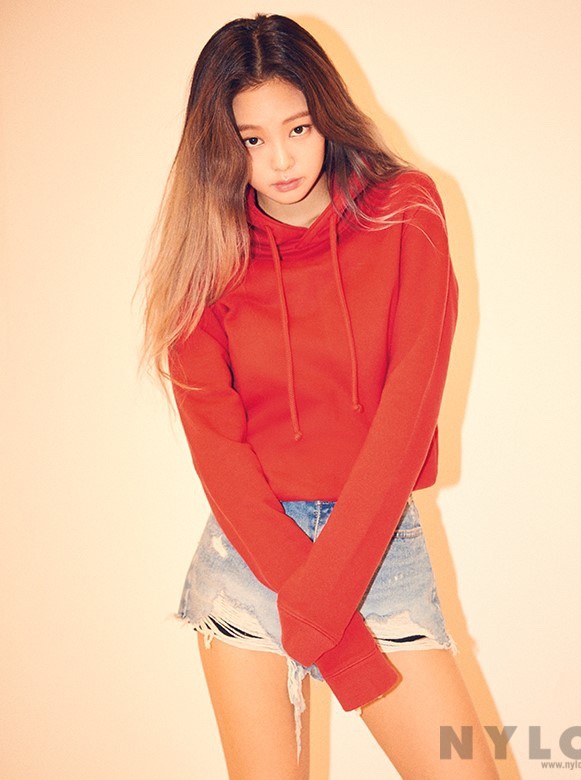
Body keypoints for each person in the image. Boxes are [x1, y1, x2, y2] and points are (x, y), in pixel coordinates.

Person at [138, 12, 498, 779]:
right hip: (250, 558)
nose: (280, 160)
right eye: (251, 138)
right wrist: (335, 638)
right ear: (221, 145)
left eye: (297, 128)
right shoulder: (207, 257)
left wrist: (324, 612)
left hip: (376, 546)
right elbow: (220, 457)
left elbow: (407, 414)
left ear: (326, 114)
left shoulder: (405, 210)